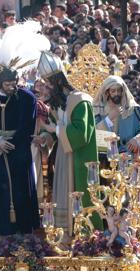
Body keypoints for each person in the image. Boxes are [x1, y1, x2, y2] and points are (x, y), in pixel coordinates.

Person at [36, 51, 99, 238]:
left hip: (78, 159)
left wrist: (55, 130)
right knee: (62, 194)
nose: (45, 90)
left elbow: (81, 134)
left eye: (47, 85)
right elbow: (54, 128)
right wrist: (45, 137)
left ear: (57, 82)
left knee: (80, 196)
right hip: (63, 156)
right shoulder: (57, 103)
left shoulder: (80, 101)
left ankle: (83, 237)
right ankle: (63, 236)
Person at [0, 57, 40, 236]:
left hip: (18, 152)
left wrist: (8, 144)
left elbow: (27, 126)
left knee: (21, 192)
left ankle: (23, 232)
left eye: (14, 83)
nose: (12, 87)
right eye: (7, 84)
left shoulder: (27, 98)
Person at [93, 75, 140, 155]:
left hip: (131, 159)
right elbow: (93, 135)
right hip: (105, 160)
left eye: (119, 90)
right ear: (107, 92)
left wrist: (138, 138)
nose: (116, 94)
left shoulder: (134, 109)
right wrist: (109, 118)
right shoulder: (98, 110)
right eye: (113, 91)